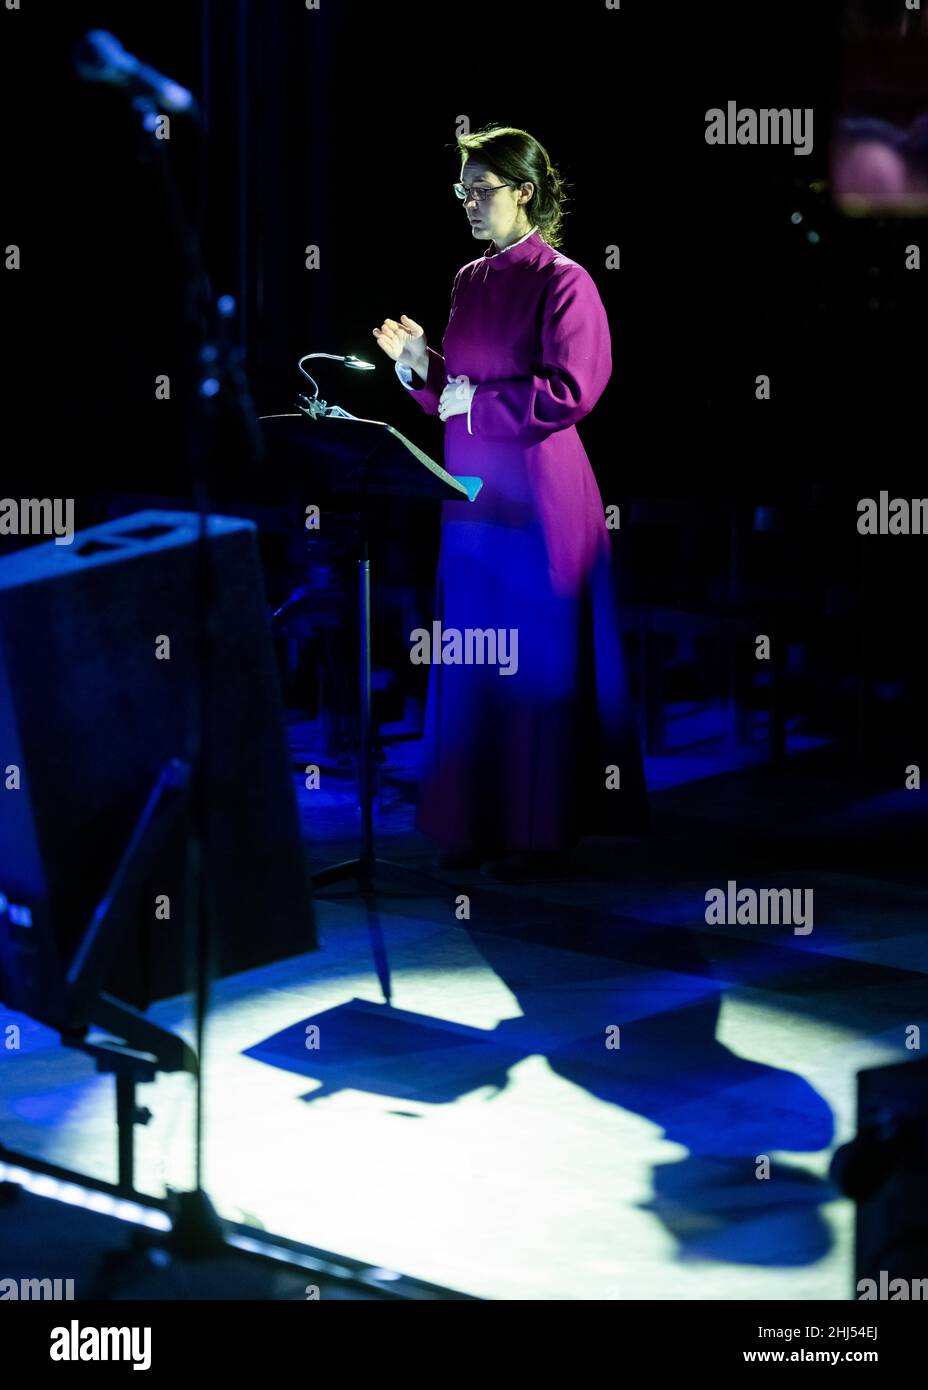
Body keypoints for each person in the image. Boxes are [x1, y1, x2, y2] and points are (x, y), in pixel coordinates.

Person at [373, 125, 648, 879]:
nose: (468, 203)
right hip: (473, 500)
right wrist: (417, 369)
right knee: (475, 657)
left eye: (481, 190)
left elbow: (572, 388)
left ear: (524, 191)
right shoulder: (467, 279)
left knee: (531, 662)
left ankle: (539, 828)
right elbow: (448, 396)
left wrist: (468, 399)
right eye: (461, 191)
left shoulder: (565, 281)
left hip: (540, 500)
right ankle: (475, 819)